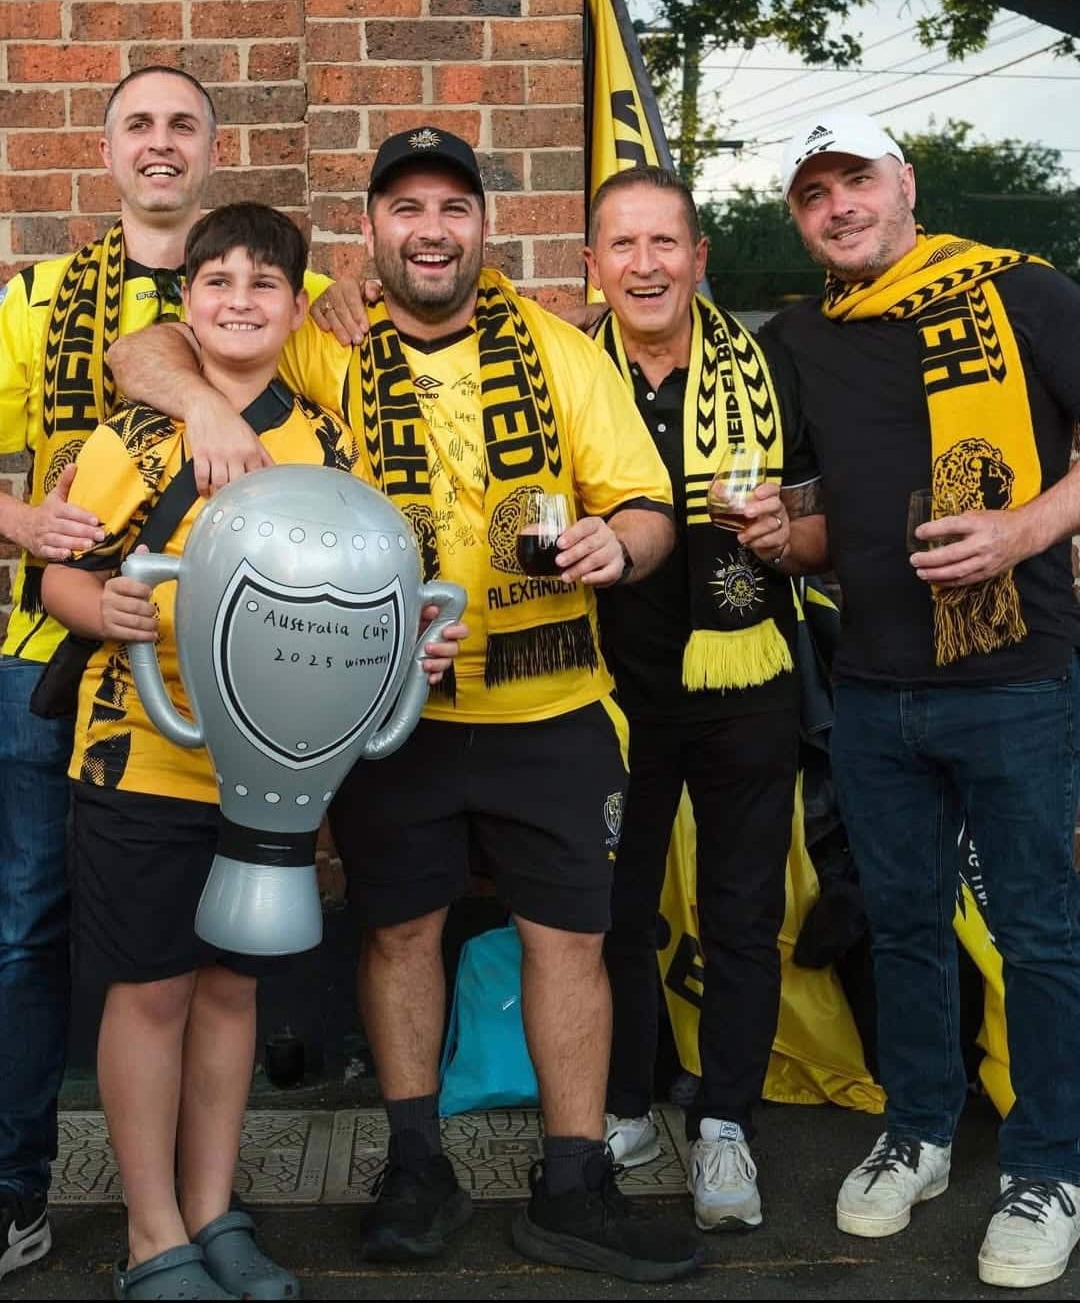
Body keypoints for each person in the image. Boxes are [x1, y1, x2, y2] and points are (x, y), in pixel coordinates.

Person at [108, 125, 706, 1284]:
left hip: (551, 703)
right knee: (395, 931)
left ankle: (573, 1182)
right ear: (372, 229)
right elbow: (146, 349)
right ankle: (416, 1166)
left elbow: (646, 505)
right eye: (406, 208)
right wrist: (208, 413)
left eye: (452, 207)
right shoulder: (322, 337)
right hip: (386, 713)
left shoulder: (562, 349)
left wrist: (619, 545)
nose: (431, 230)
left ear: (486, 225)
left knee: (571, 940)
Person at [40, 202, 462, 1301]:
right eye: (217, 281)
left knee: (231, 991)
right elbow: (59, 579)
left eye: (263, 282)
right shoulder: (129, 438)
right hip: (141, 755)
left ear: (295, 306)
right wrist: (103, 610)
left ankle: (214, 1209)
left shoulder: (329, 444)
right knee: (151, 990)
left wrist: (412, 645)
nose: (239, 299)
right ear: (186, 304)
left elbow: (369, 592)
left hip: (271, 773)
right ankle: (151, 1236)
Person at [765, 107, 1080, 1290]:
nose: (838, 206)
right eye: (813, 194)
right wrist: (780, 537)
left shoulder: (1023, 291)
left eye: (855, 179)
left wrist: (1024, 529)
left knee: (1040, 932)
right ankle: (919, 1132)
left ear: (904, 181)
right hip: (873, 680)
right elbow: (826, 524)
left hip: (1017, 677)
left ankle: (1050, 1165)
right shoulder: (803, 336)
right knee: (901, 923)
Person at [0, 65, 224, 1283]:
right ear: (105, 153)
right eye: (138, 123)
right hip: (48, 655)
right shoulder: (37, 297)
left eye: (182, 123)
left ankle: (201, 1206)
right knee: (29, 924)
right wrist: (18, 522)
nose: (160, 142)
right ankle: (14, 1188)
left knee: (205, 944)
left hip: (214, 665)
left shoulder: (267, 286)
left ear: (211, 150)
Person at [580, 165, 825, 1232]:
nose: (646, 265)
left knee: (741, 910)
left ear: (699, 258)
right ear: (593, 264)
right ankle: (626, 1102)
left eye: (665, 243)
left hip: (746, 681)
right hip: (603, 681)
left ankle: (726, 1121)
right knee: (611, 909)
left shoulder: (768, 366)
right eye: (623, 245)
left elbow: (821, 527)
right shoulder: (560, 369)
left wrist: (788, 536)